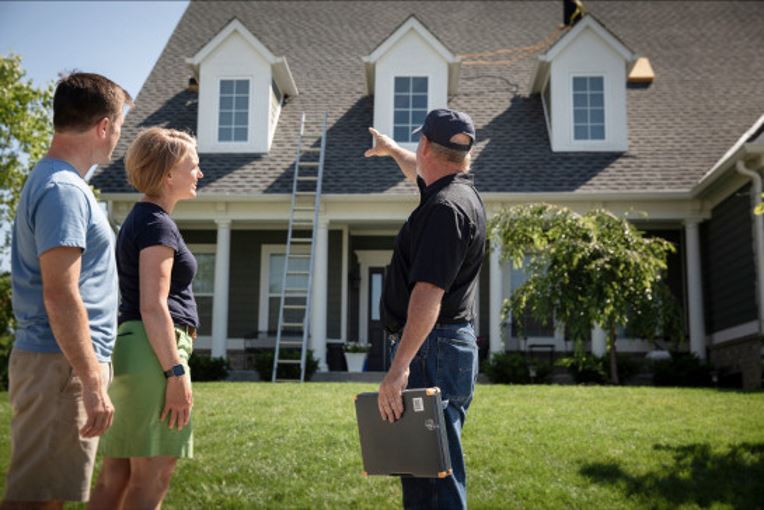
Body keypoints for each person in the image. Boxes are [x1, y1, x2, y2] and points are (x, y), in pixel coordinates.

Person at [2, 73, 131, 509]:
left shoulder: (58, 183)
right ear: (102, 127)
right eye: (118, 127)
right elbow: (60, 293)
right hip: (62, 366)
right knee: (36, 500)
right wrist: (92, 380)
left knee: (50, 496)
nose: (117, 138)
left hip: (64, 364)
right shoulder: (64, 191)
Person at [365, 109, 486, 510]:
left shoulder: (444, 210)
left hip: (432, 347)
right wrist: (391, 150)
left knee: (434, 478)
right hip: (444, 346)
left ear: (426, 145)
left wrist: (399, 368)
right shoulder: (455, 191)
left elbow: (428, 293)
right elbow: (420, 169)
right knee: (423, 468)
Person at [89, 127, 203, 509]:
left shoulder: (142, 218)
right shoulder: (157, 224)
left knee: (116, 475)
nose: (199, 173)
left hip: (136, 350)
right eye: (194, 166)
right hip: (154, 356)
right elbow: (153, 305)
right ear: (169, 175)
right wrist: (176, 371)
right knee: (154, 474)